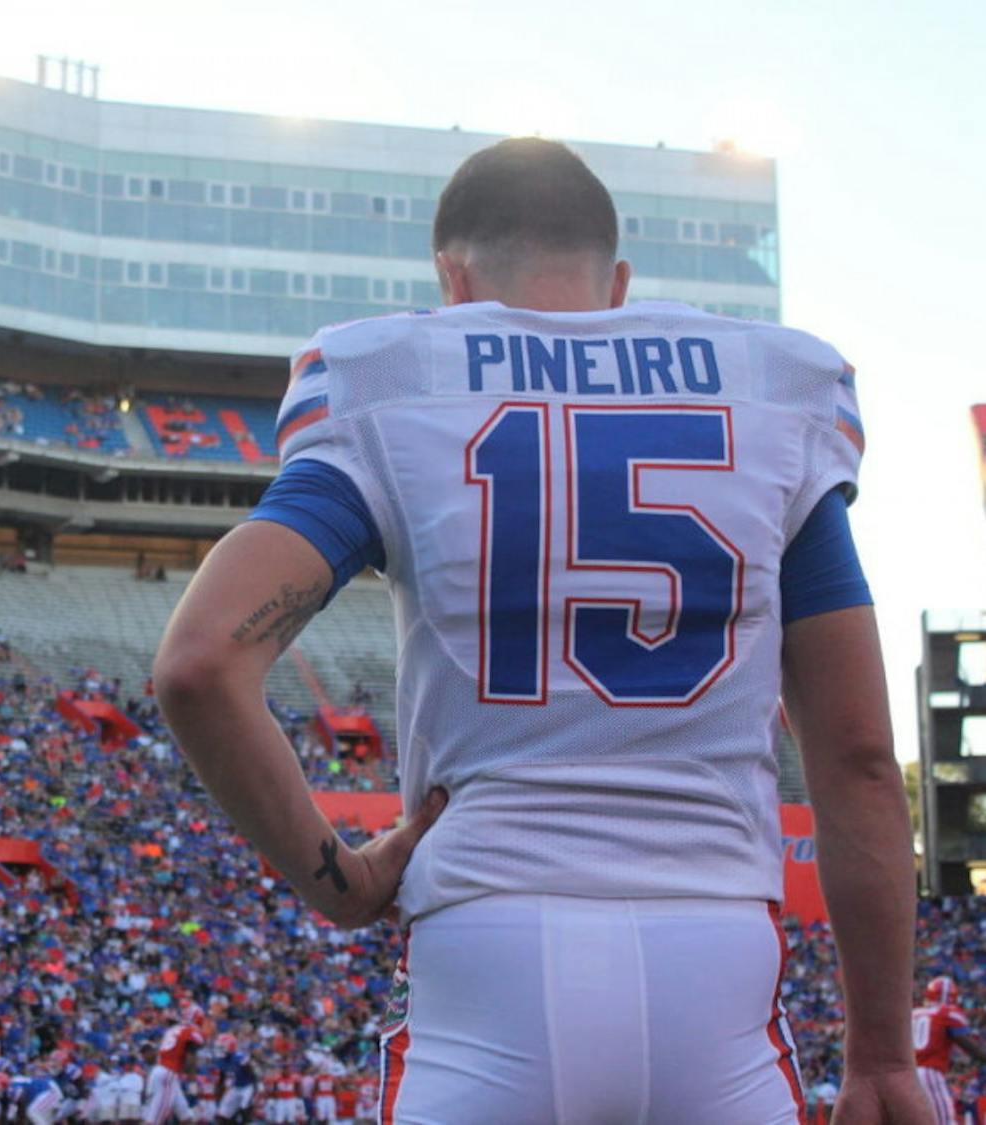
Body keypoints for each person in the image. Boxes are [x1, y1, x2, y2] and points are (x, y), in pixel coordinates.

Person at [154, 137, 928, 1122]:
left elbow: (198, 664)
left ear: (453, 275)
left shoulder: (396, 381)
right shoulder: (774, 391)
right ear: (620, 283)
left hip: (488, 955)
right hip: (718, 959)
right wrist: (881, 1055)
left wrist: (342, 883)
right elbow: (859, 760)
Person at [914, 976, 986, 1124]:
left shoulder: (914, 1013)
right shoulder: (947, 1013)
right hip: (929, 1072)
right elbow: (969, 1046)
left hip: (907, 1072)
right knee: (945, 1120)